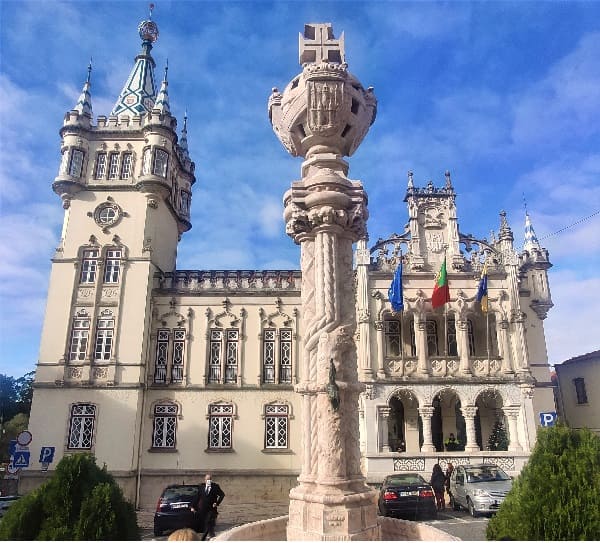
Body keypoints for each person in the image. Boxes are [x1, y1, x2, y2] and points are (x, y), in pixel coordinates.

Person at [191, 473, 225, 540]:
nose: (208, 480)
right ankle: (212, 537)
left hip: (212, 509)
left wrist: (217, 503)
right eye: (207, 479)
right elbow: (197, 497)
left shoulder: (215, 487)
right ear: (205, 480)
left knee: (208, 522)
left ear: (211, 480)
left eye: (209, 479)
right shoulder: (201, 487)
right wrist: (192, 506)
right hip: (203, 509)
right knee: (208, 525)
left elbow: (222, 495)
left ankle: (206, 538)